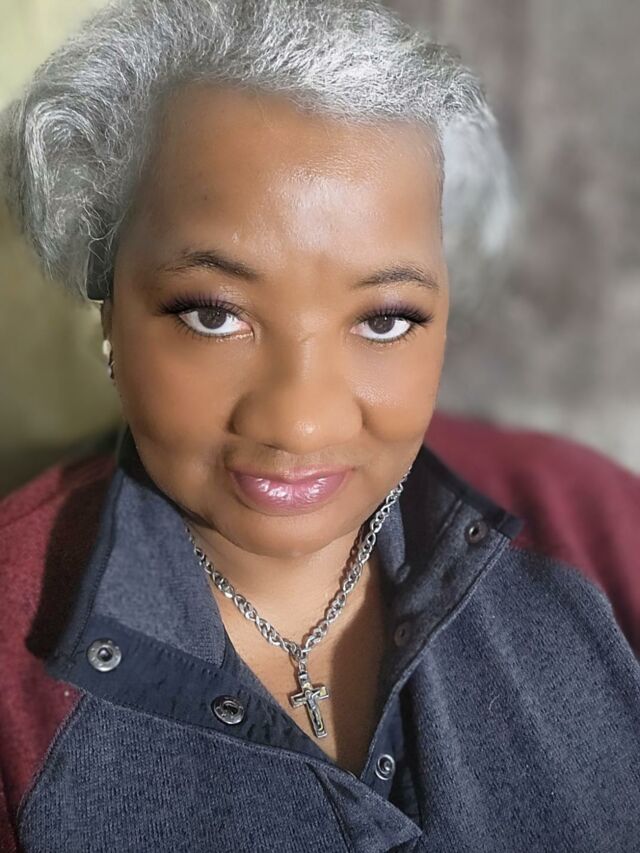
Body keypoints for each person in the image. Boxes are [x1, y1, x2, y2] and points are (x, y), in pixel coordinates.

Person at [0, 1, 639, 851]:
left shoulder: (597, 530)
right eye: (213, 314)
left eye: (384, 319)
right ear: (110, 308)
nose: (300, 422)